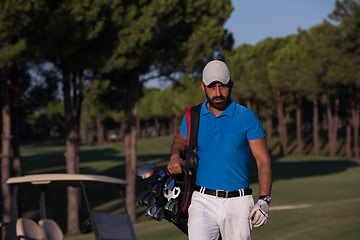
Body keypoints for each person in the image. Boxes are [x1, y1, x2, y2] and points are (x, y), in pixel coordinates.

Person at [167, 60, 272, 240]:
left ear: (230, 85)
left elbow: (263, 160)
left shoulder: (246, 117)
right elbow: (180, 139)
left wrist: (264, 200)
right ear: (203, 87)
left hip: (239, 203)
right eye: (211, 86)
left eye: (222, 86)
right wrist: (175, 155)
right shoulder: (194, 116)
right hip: (202, 200)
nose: (217, 93)